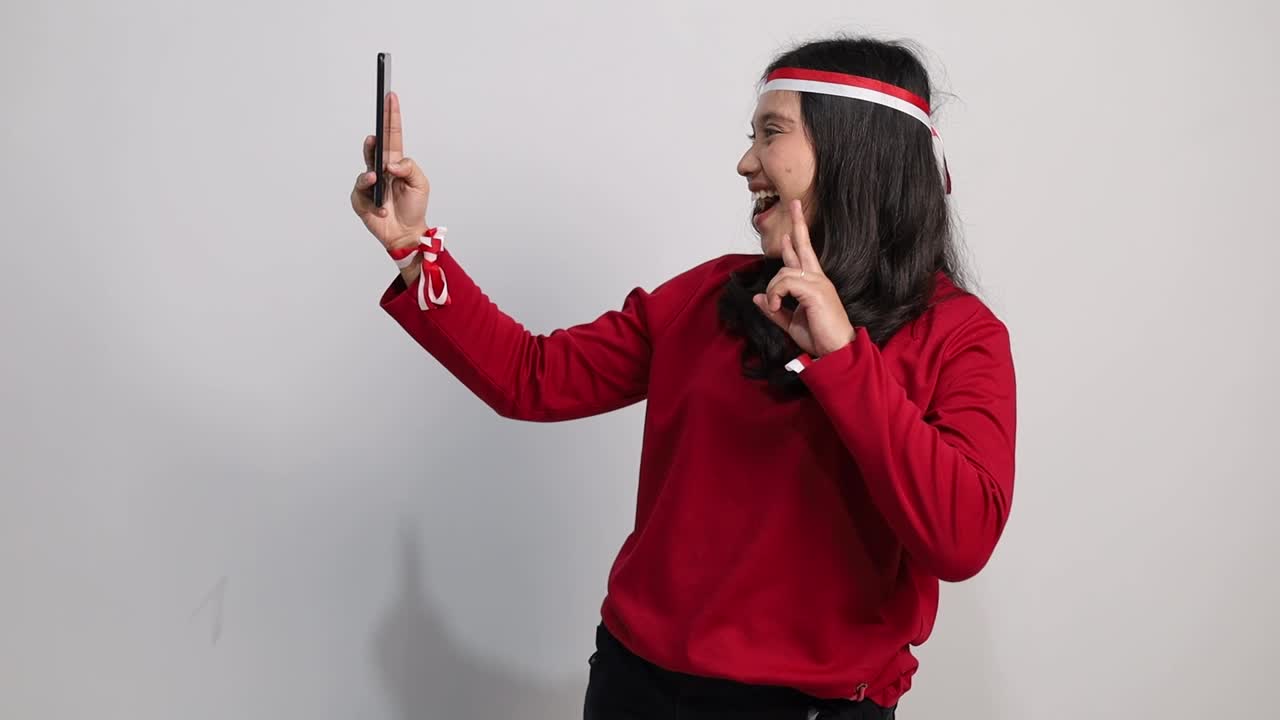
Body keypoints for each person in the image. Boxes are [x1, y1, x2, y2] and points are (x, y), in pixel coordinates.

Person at [350, 34, 1016, 720]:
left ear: (855, 151)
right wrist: (411, 248)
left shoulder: (961, 336)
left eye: (772, 133)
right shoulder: (709, 297)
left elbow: (960, 538)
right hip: (636, 690)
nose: (745, 161)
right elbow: (531, 377)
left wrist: (842, 355)